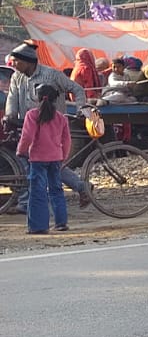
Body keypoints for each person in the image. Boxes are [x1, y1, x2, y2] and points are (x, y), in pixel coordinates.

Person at [4, 43, 90, 214]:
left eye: (17, 61)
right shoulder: (17, 77)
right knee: (42, 162)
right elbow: (12, 99)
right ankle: (27, 202)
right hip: (28, 125)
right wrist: (9, 116)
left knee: (44, 162)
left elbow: (77, 89)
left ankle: (31, 204)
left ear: (28, 62)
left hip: (51, 127)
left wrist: (81, 109)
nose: (14, 64)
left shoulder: (52, 75)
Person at [20, 84, 71, 234]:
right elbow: (67, 140)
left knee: (38, 191)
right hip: (56, 158)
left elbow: (27, 136)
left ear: (37, 98)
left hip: (37, 158)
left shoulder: (32, 115)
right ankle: (61, 223)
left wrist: (21, 151)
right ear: (55, 99)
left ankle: (39, 226)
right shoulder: (61, 117)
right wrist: (63, 157)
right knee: (56, 190)